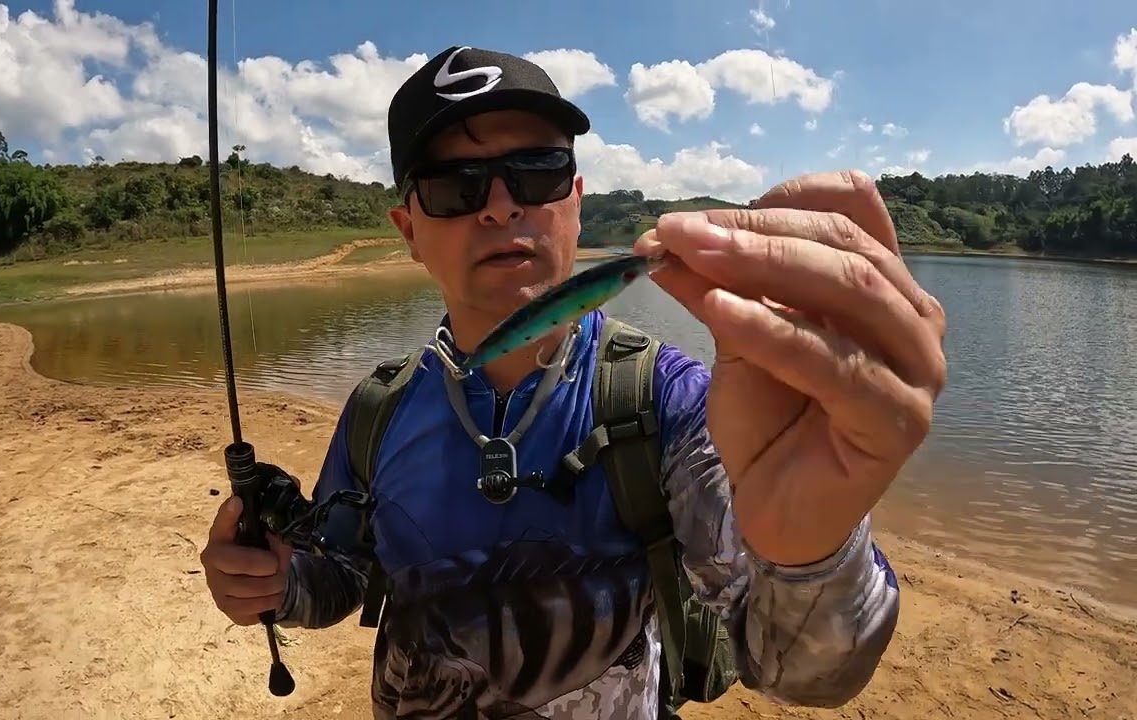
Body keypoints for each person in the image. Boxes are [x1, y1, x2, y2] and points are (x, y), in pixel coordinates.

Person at [200, 45, 948, 719]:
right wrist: (275, 585)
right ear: (408, 232)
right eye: (457, 187)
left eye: (537, 171)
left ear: (576, 201)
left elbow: (804, 675)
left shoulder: (672, 400)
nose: (502, 204)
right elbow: (344, 574)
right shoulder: (379, 409)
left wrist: (813, 550)